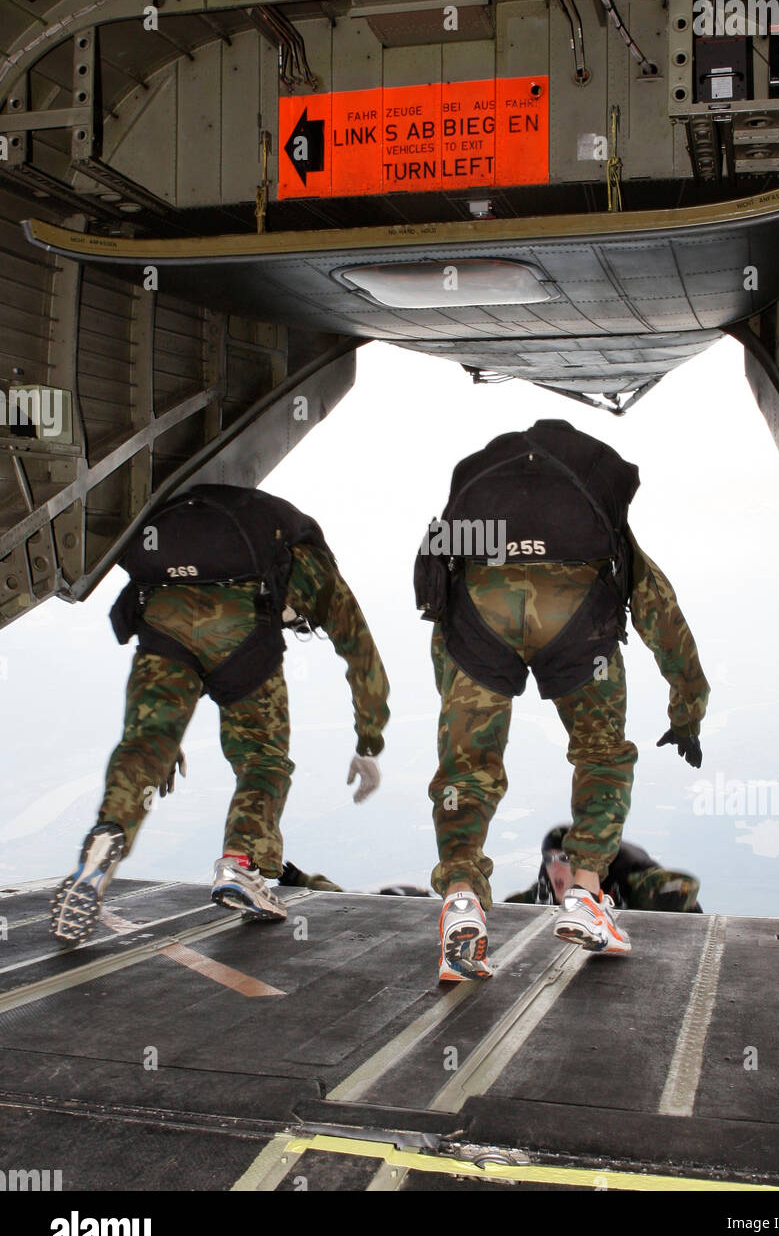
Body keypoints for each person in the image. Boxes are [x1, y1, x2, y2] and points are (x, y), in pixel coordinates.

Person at [415, 419, 708, 981]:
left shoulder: (478, 505)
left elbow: (436, 597)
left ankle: (459, 897)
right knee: (601, 754)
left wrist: (459, 673)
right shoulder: (595, 517)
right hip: (577, 614)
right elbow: (661, 615)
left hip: (478, 609)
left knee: (467, 768)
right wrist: (687, 709)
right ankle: (586, 893)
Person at [50, 483, 389, 945]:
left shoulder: (202, 539)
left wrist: (169, 741)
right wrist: (369, 742)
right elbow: (361, 654)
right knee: (262, 759)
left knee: (146, 742)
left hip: (162, 615)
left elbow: (178, 644)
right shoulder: (314, 566)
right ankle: (240, 865)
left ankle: (106, 837)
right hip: (242, 629)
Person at [506, 826, 702, 913]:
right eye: (549, 859)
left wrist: (661, 896)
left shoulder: (628, 874)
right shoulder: (547, 882)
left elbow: (682, 885)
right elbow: (516, 909)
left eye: (565, 859)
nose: (555, 867)